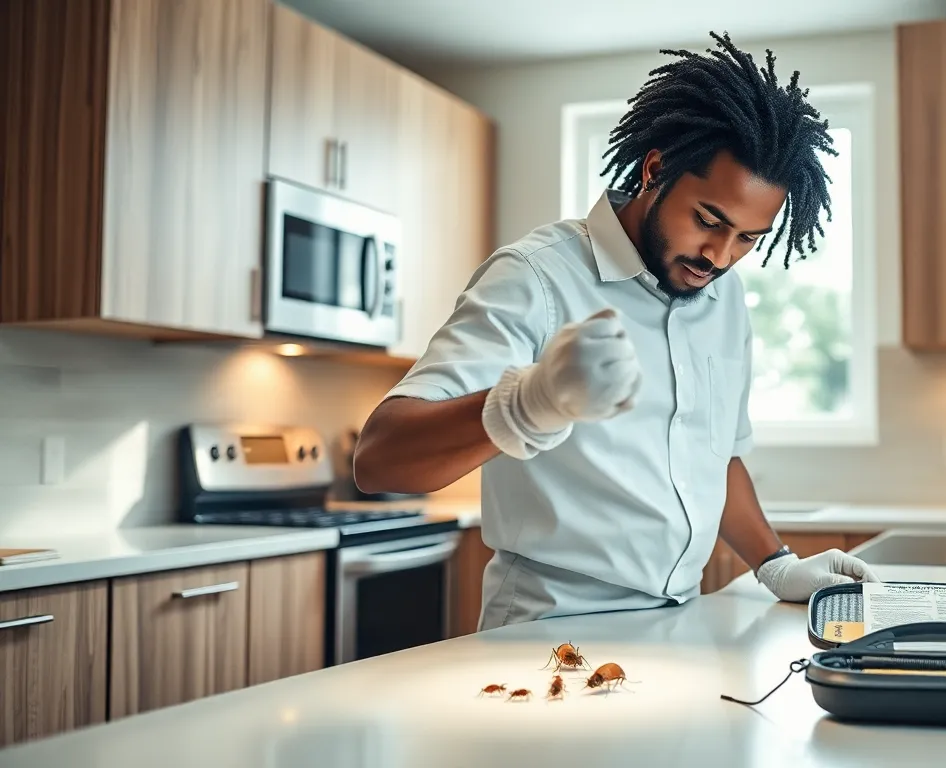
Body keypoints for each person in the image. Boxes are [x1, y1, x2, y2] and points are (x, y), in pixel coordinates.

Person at [353, 31, 878, 631]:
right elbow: (380, 460)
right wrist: (530, 404)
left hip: (679, 622)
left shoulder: (722, 295)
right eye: (709, 220)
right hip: (549, 631)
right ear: (656, 169)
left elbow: (714, 453)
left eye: (747, 239)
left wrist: (776, 564)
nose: (720, 255)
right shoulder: (536, 276)